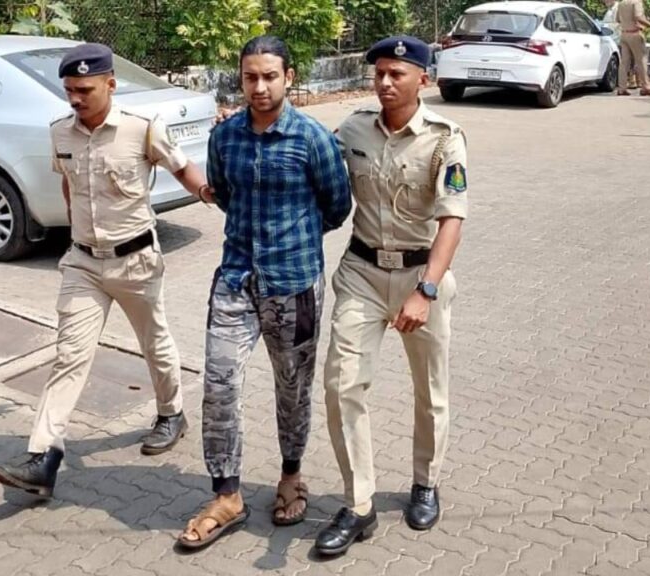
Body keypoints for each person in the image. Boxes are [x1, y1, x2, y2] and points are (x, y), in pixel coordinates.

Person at [0, 43, 212, 497]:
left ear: (110, 84)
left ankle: (171, 413)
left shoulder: (142, 130)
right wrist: (76, 236)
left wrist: (213, 195)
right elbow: (70, 188)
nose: (75, 98)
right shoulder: (60, 133)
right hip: (84, 264)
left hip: (136, 261)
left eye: (85, 90)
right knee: (69, 357)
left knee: (155, 343)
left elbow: (183, 168)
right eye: (69, 90)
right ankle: (44, 458)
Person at [177, 35, 352, 550]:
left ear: (288, 78)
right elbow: (224, 195)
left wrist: (294, 238)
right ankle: (227, 495)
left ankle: (291, 474)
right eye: (250, 77)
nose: (259, 87)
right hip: (235, 279)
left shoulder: (312, 139)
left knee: (292, 388)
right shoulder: (225, 136)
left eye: (270, 76)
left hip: (293, 284)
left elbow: (337, 206)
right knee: (219, 383)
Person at [313, 36, 468, 557]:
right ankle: (359, 505)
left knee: (431, 389)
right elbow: (312, 152)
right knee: (341, 386)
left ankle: (426, 482)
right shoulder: (354, 127)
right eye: (379, 73)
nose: (384, 82)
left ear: (422, 78)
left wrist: (426, 290)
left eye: (396, 74)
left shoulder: (445, 139)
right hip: (361, 272)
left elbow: (452, 219)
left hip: (420, 275)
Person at [616, 0, 650, 96]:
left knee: (624, 62)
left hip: (624, 34)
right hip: (634, 34)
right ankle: (646, 87)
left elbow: (617, 19)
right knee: (641, 60)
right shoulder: (636, 2)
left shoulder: (622, 3)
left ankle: (622, 88)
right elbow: (638, 17)